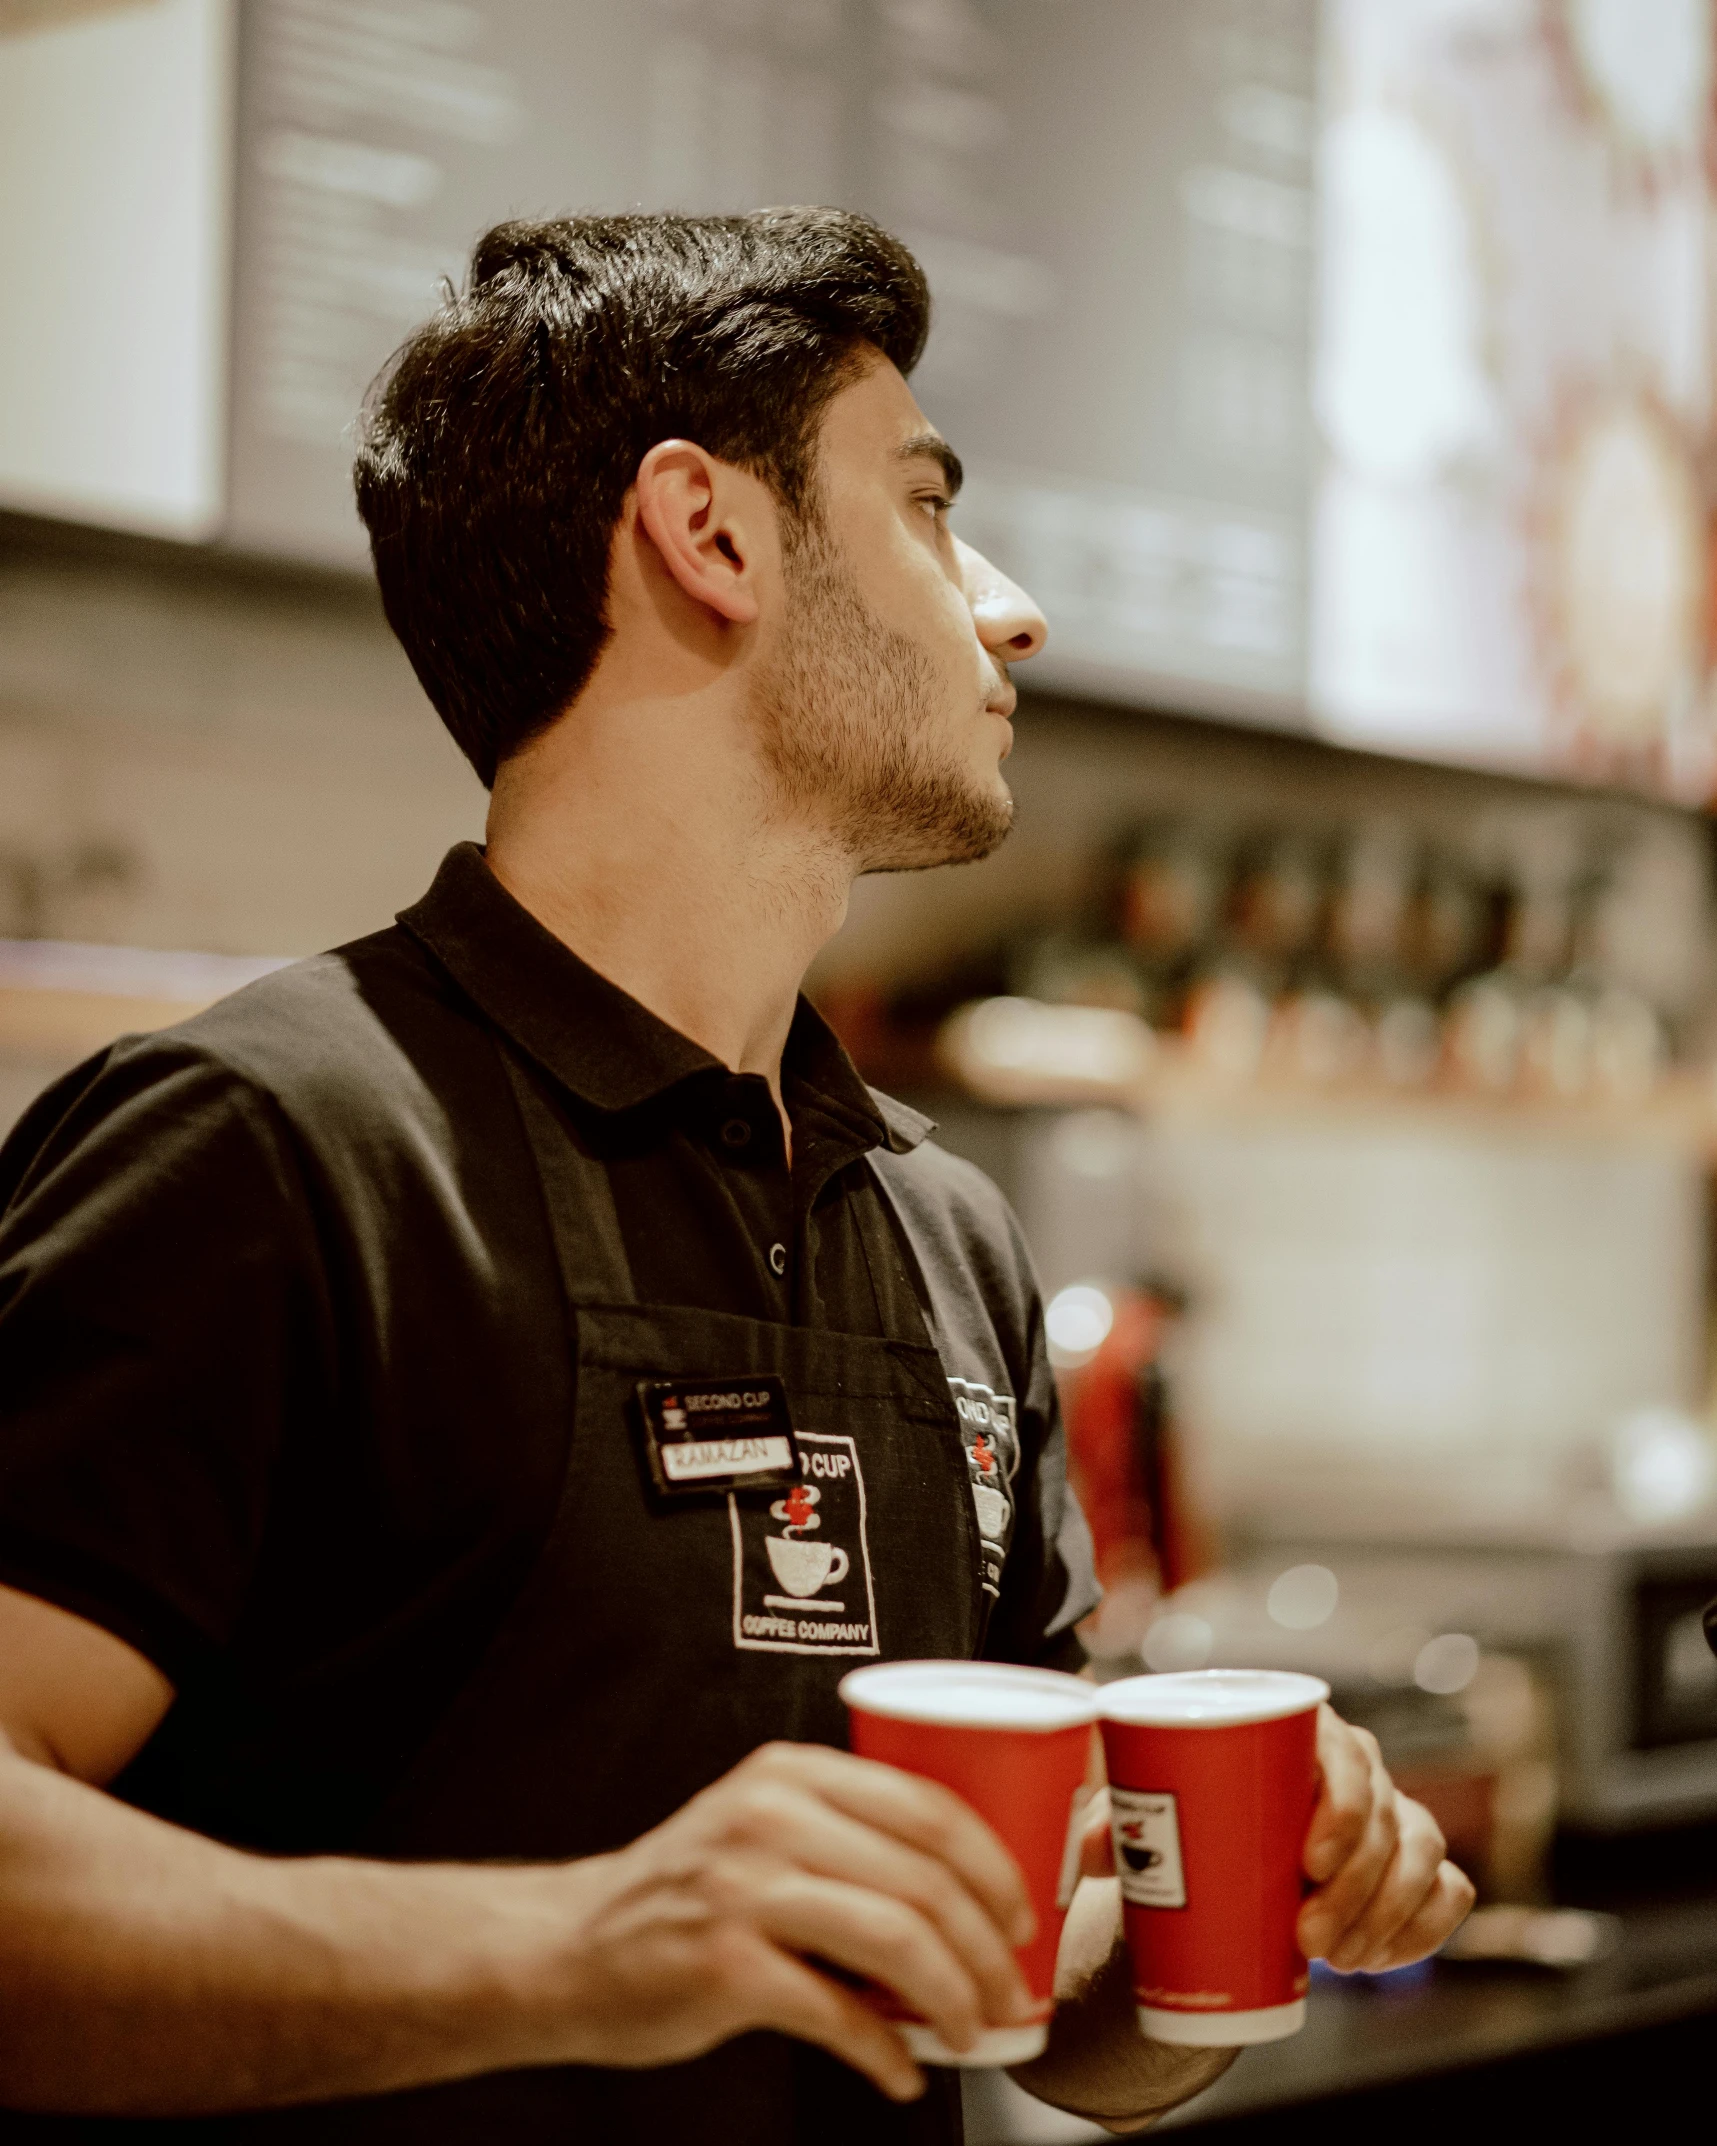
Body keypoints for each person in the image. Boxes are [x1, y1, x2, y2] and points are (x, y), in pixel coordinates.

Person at [0, 209, 1472, 2142]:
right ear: (711, 535)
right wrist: (586, 1952)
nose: (1011, 610)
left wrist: (1232, 1925)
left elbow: (1050, 2016)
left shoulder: (940, 1232)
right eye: (931, 510)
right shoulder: (268, 1147)